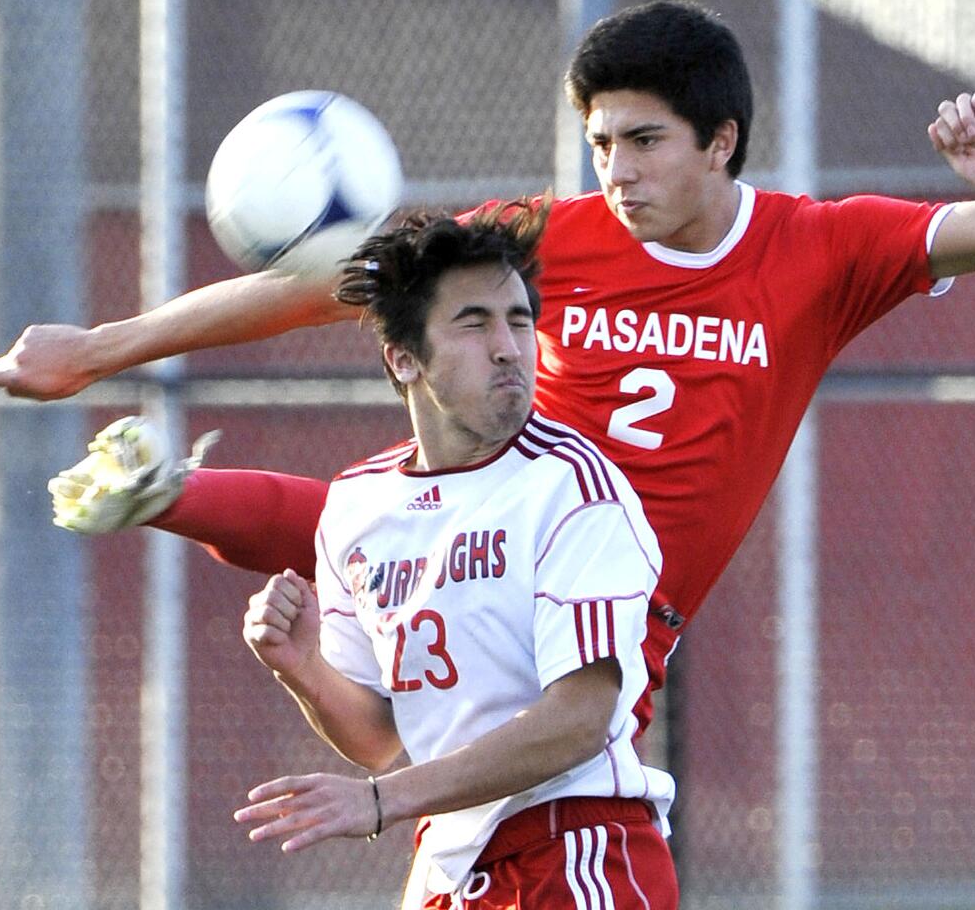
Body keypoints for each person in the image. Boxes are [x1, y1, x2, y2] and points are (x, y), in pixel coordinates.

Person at [0, 0, 975, 732]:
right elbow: (333, 282)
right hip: (510, 539)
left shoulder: (822, 248)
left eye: (644, 141)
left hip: (618, 613)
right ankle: (163, 491)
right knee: (407, 558)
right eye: (599, 140)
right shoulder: (548, 232)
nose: (614, 169)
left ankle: (165, 491)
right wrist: (98, 347)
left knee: (439, 763)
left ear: (722, 141)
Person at [231, 200, 678, 909]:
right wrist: (303, 666)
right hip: (451, 868)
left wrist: (383, 802)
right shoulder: (354, 506)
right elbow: (382, 739)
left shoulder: (570, 485)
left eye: (521, 320)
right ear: (403, 359)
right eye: (475, 324)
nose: (509, 346)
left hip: (574, 852)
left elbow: (580, 720)